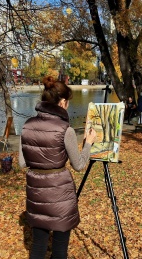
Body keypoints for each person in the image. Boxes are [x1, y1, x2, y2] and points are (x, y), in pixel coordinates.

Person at [19, 76, 97, 259]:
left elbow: (22, 163)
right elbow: (78, 165)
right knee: (60, 248)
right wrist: (88, 144)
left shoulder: (27, 126)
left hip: (36, 192)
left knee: (38, 245)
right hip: (60, 195)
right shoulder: (65, 129)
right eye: (67, 102)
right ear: (62, 102)